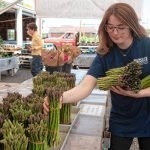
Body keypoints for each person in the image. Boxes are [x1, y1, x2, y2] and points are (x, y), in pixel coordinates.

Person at [43, 3, 150, 150]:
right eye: (110, 27)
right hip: (121, 119)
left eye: (121, 27)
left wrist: (138, 94)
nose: (115, 32)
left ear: (131, 25)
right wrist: (61, 98)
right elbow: (85, 86)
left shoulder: (146, 45)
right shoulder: (104, 53)